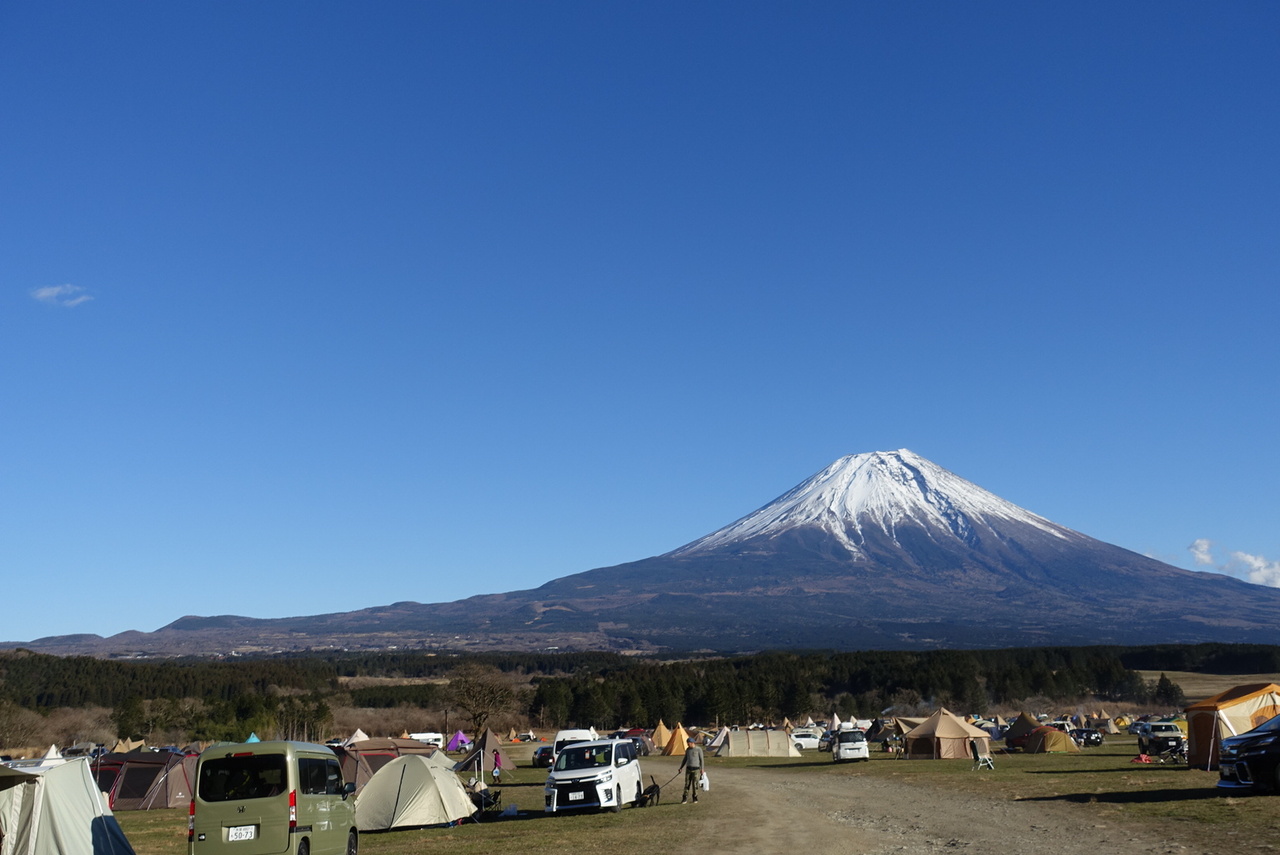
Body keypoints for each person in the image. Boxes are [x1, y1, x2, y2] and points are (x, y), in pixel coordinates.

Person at [678, 736, 704, 804]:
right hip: (688, 769)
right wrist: (681, 767)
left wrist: (702, 769)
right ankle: (684, 798)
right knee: (687, 784)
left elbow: (701, 760)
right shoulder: (688, 750)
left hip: (696, 769)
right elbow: (685, 759)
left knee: (695, 784)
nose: (687, 744)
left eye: (688, 743)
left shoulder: (698, 749)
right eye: (687, 743)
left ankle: (695, 797)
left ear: (692, 743)